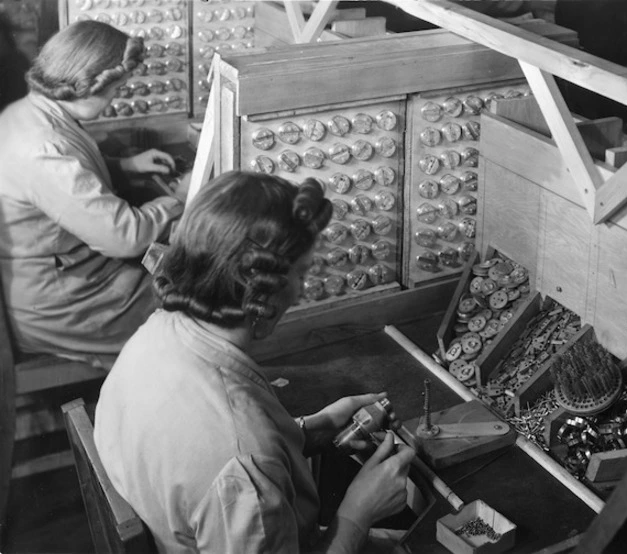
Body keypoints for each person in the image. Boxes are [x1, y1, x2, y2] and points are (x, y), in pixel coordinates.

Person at [94, 171, 416, 553]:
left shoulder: (160, 330)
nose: (300, 293)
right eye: (300, 274)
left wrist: (317, 427)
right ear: (260, 290)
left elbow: (217, 454)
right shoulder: (243, 456)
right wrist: (359, 511)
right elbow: (235, 456)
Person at [0, 21, 186, 362]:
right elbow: (124, 237)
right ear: (89, 82)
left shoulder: (28, 113)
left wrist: (125, 166)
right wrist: (178, 201)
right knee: (191, 305)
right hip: (67, 305)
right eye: (115, 89)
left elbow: (60, 185)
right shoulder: (44, 147)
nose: (115, 100)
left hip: (53, 281)